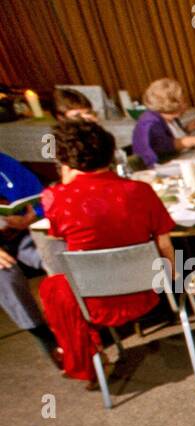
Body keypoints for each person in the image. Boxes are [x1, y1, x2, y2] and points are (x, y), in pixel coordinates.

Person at [38, 121, 176, 386]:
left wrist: (67, 181)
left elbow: (57, 236)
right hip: (149, 292)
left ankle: (87, 356)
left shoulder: (56, 197)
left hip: (93, 301)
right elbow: (165, 247)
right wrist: (169, 282)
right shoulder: (140, 190)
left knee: (53, 287)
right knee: (58, 286)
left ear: (64, 161)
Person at [0, 150, 58, 365]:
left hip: (24, 233)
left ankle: (80, 322)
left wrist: (33, 213)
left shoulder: (5, 161)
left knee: (53, 258)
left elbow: (41, 195)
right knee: (5, 277)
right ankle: (43, 335)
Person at [130, 78, 195, 167]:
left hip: (178, 162)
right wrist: (192, 140)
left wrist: (187, 129)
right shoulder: (150, 123)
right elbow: (163, 146)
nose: (186, 104)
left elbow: (170, 137)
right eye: (183, 100)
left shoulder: (168, 116)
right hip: (158, 169)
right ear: (172, 104)